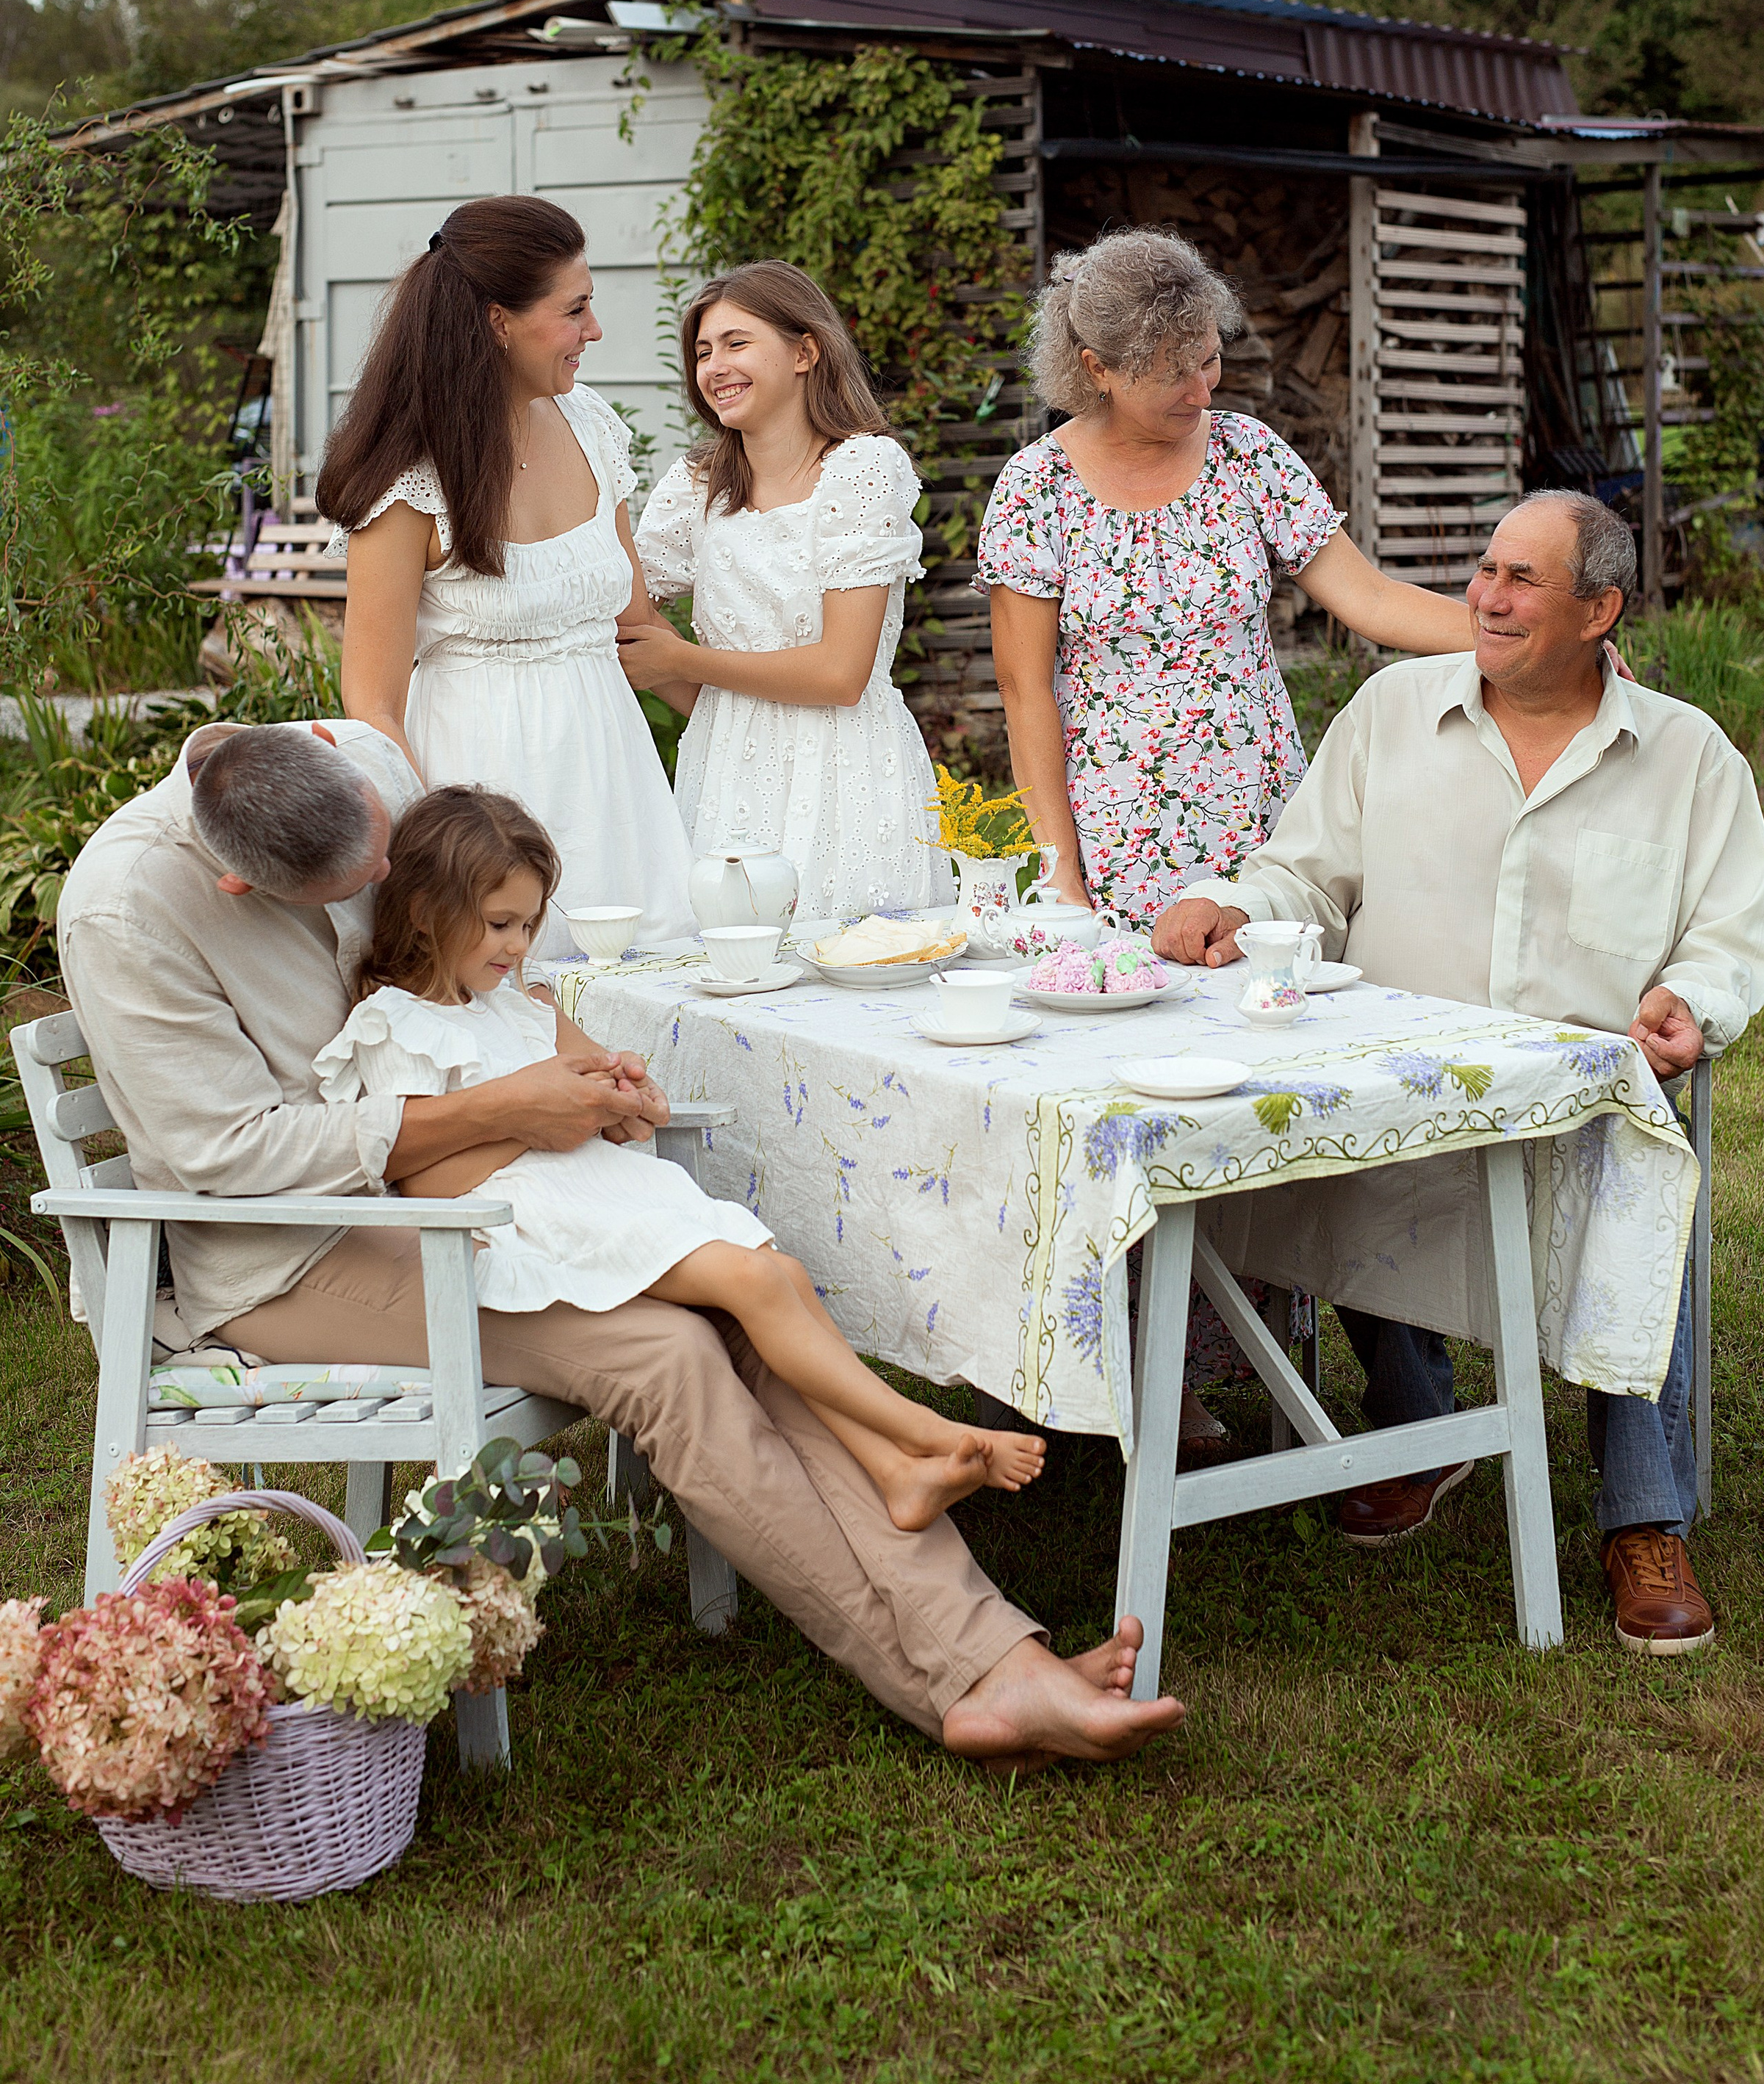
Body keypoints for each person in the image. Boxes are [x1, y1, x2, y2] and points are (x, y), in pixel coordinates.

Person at [57, 719, 1177, 1763]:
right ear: (241, 885)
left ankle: (988, 1653)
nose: (387, 883)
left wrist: (564, 1068)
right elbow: (228, 1157)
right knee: (671, 1353)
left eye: (387, 850)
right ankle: (952, 1684)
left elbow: (471, 971)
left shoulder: (361, 764)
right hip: (291, 1253)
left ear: (333, 756)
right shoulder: (127, 913)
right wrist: (503, 1109)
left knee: (737, 1306)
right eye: (359, 886)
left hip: (480, 1197)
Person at [1151, 489, 1764, 1654]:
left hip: (1584, 1097)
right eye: (1486, 569)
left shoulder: (1689, 754)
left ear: (1600, 610)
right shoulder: (1391, 713)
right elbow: (1305, 874)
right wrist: (1233, 904)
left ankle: (1645, 1518)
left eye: (1522, 579)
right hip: (1404, 1085)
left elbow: (1731, 933)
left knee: (1635, 1199)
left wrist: (1691, 1002)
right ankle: (1419, 1433)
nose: (1486, 597)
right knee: (1343, 1151)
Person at [320, 782, 1048, 1532]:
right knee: (753, 1280)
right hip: (530, 1224)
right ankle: (927, 1431)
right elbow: (429, 1180)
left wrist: (627, 1094)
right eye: (499, 923)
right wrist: (544, 1121)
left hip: (608, 1190)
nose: (517, 945)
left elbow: (606, 1088)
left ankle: (897, 1472)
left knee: (782, 1272)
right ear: (423, 912)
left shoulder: (523, 1005)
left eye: (530, 924)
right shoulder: (394, 1024)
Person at [977, 228, 1477, 934]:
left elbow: (1370, 598)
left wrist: (1521, 639)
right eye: (1172, 373)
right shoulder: (1037, 489)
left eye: (1209, 359)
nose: (1202, 388)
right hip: (1120, 837)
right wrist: (1061, 872)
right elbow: (1023, 688)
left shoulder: (1249, 454)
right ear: (1098, 369)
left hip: (1262, 820)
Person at [317, 195, 695, 956]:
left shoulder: (592, 425)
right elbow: (374, 704)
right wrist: (447, 853)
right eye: (575, 309)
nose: (595, 329)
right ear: (498, 323)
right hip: (486, 793)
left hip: (616, 784)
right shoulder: (408, 478)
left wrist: (751, 734)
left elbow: (637, 625)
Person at [620, 262, 953, 925]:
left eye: (736, 343)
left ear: (805, 351)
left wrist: (683, 660)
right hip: (727, 777)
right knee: (725, 959)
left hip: (849, 771)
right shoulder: (696, 484)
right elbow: (626, 611)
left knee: (860, 958)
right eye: (703, 352)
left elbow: (841, 673)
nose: (714, 367)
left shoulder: (862, 468)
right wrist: (722, 712)